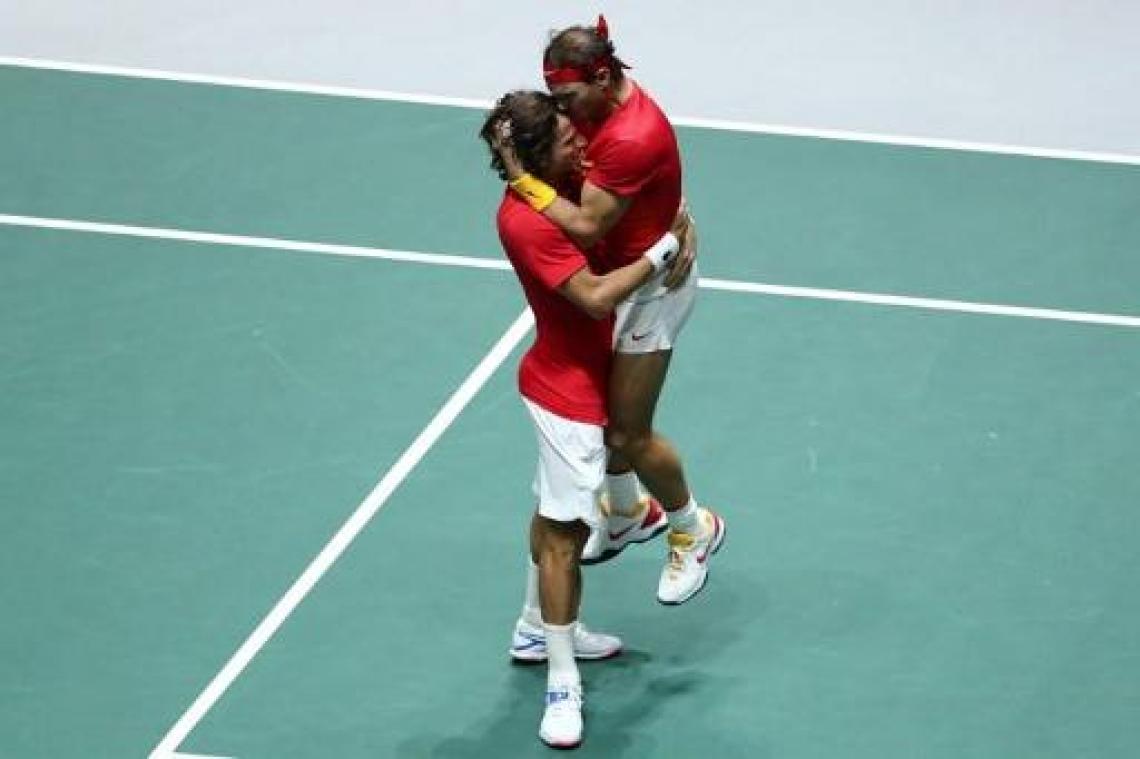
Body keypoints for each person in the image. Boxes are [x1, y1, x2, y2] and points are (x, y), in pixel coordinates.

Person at [479, 90, 686, 749]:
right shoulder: (529, 222)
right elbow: (595, 298)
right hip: (564, 395)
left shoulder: (562, 190)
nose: (583, 146)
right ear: (541, 155)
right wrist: (658, 255)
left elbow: (624, 200)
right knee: (567, 535)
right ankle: (561, 681)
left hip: (585, 379)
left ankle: (533, 626)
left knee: (553, 514)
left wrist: (679, 219)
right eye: (569, 139)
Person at [498, 16, 726, 606]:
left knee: (628, 430)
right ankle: (625, 513)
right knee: (605, 422)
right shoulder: (594, 113)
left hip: (651, 289)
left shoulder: (629, 136)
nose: (562, 110)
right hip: (623, 277)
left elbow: (586, 222)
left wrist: (521, 179)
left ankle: (691, 528)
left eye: (568, 98)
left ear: (603, 77)